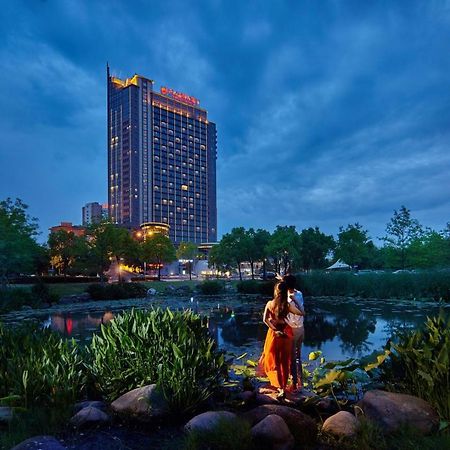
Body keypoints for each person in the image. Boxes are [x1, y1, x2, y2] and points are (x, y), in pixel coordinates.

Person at [257, 281, 304, 398]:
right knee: (285, 361)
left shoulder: (269, 304)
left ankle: (281, 388)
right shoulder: (287, 305)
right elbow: (302, 313)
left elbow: (265, 320)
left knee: (276, 361)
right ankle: (285, 385)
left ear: (275, 291)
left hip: (274, 334)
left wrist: (274, 329)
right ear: (285, 292)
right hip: (286, 333)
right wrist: (296, 301)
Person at [283, 274, 305, 391]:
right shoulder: (299, 293)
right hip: (301, 328)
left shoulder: (288, 299)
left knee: (292, 358)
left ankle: (294, 384)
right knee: (298, 356)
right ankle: (301, 381)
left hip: (293, 329)